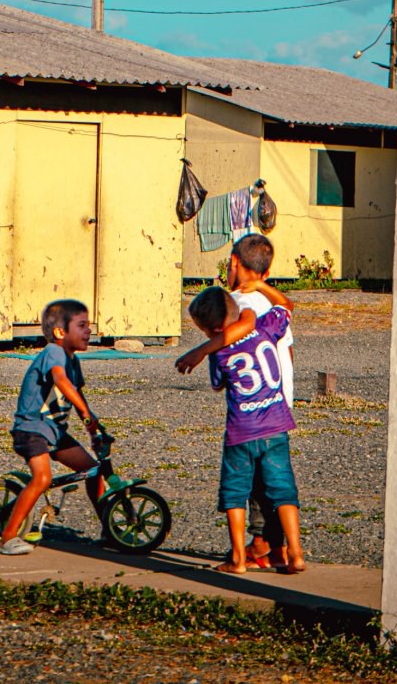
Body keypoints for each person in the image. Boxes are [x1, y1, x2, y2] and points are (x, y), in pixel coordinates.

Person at [176, 234, 296, 570]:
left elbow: (238, 329)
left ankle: (263, 543)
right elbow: (286, 343)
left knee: (255, 479)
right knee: (274, 474)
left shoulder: (234, 303)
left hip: (251, 410)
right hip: (278, 397)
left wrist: (202, 350)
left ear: (233, 262)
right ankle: (277, 545)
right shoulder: (267, 301)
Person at [0, 299, 103, 555]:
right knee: (43, 478)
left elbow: (77, 395)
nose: (89, 330)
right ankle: (7, 537)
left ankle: (109, 528)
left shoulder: (73, 360)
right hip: (32, 429)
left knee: (92, 470)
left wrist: (92, 424)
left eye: (89, 325)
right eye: (82, 325)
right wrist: (87, 416)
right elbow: (61, 381)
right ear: (60, 333)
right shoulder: (54, 353)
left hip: (54, 431)